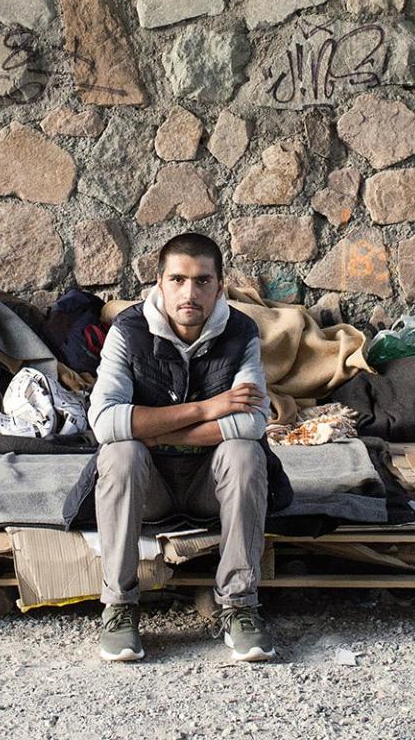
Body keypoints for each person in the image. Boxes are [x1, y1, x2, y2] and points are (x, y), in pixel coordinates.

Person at [86, 231, 278, 663]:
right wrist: (208, 408)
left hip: (208, 486)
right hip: (148, 485)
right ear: (159, 284)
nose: (189, 293)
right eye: (177, 280)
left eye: (202, 281)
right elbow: (104, 423)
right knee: (119, 453)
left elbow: (252, 421)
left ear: (219, 286)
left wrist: (149, 429)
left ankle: (239, 607)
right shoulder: (128, 332)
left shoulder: (241, 332)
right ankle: (119, 606)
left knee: (246, 453)